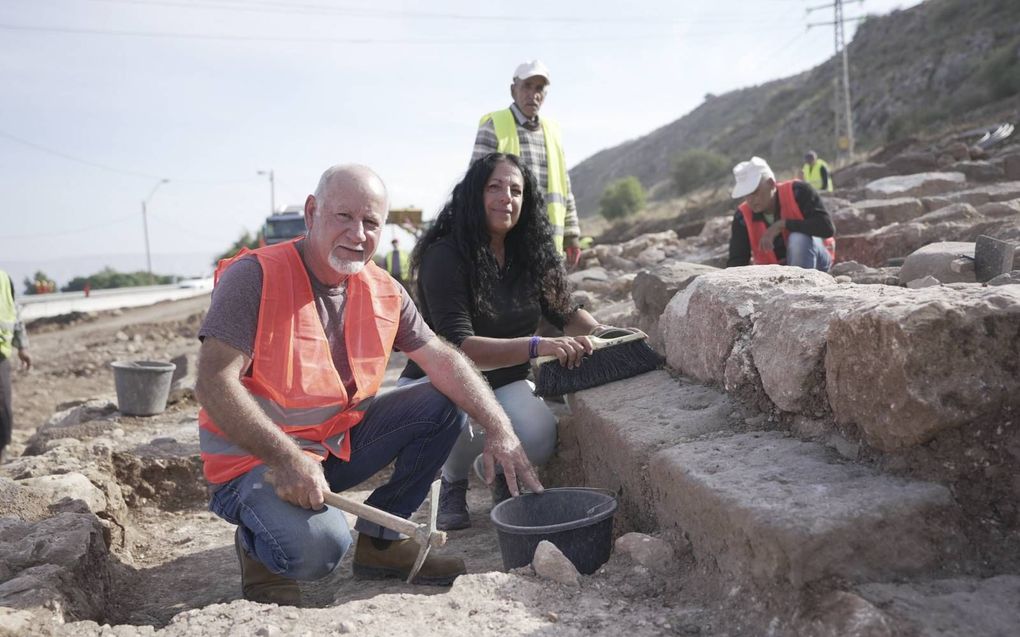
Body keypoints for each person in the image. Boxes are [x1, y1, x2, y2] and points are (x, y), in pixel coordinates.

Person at [194, 164, 543, 606]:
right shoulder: (256, 277)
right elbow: (213, 383)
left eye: (371, 222)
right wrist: (285, 457)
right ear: (312, 212)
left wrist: (500, 428)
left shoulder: (384, 290)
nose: (358, 234)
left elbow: (442, 359)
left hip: (329, 449)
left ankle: (382, 542)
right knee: (320, 551)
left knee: (443, 401)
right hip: (256, 462)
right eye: (344, 217)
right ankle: (258, 550)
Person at [400, 153, 625, 531]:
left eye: (516, 190)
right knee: (455, 420)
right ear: (474, 194)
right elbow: (460, 347)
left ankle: (500, 472)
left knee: (539, 437)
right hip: (442, 380)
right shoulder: (445, 255)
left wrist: (606, 335)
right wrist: (538, 346)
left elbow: (565, 312)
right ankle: (453, 479)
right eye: (495, 187)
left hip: (504, 379)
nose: (507, 197)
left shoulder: (530, 253)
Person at [472, 60, 583, 269]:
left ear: (545, 94)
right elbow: (474, 187)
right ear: (514, 90)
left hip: (549, 244)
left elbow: (565, 190)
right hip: (507, 244)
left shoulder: (553, 133)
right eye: (527, 86)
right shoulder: (494, 125)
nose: (533, 93)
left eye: (539, 88)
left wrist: (572, 235)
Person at [726, 156, 836, 272]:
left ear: (771, 183)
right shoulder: (742, 216)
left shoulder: (798, 191)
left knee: (798, 239)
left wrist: (783, 224)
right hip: (775, 274)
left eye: (754, 192)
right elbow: (737, 261)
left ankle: (800, 286)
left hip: (817, 261)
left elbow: (827, 228)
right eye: (746, 194)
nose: (750, 200)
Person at [0, 270, 32, 464]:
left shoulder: (3, 279)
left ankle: (1, 453)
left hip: (0, 356)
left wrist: (22, 345)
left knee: (1, 408)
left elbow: (14, 312)